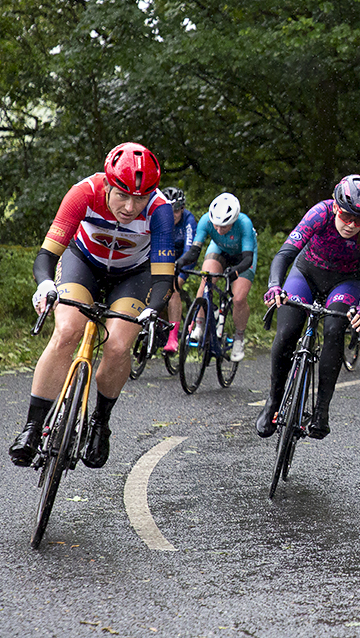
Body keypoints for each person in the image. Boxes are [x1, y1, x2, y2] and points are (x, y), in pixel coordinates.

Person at [9, 142, 175, 468]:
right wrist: (45, 284)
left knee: (117, 346)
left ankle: (100, 422)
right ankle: (32, 427)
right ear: (108, 185)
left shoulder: (161, 210)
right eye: (123, 195)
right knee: (67, 332)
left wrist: (153, 308)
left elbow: (162, 278)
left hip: (133, 275)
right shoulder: (84, 192)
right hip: (83, 263)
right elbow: (47, 255)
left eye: (140, 198)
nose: (130, 206)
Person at [256, 174, 360, 440]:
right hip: (306, 273)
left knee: (335, 328)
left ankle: (322, 411)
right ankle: (273, 401)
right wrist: (274, 285)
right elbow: (286, 253)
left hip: (344, 283)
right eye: (346, 216)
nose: (351, 225)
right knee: (288, 331)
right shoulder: (321, 212)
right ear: (336, 207)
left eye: (359, 220)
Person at [175, 192, 257, 362]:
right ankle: (199, 324)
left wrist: (235, 271)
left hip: (243, 256)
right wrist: (180, 262)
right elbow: (194, 252)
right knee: (206, 280)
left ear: (233, 221)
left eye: (224, 226)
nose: (219, 230)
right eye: (216, 225)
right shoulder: (206, 220)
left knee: (238, 299)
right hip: (219, 250)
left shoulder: (244, 224)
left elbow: (248, 259)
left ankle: (239, 338)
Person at [162, 187, 198, 353]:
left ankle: (173, 338)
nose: (172, 216)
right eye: (169, 211)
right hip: (163, 257)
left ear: (182, 209)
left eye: (176, 212)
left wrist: (180, 264)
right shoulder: (158, 217)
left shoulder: (189, 220)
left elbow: (189, 249)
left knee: (173, 289)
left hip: (183, 260)